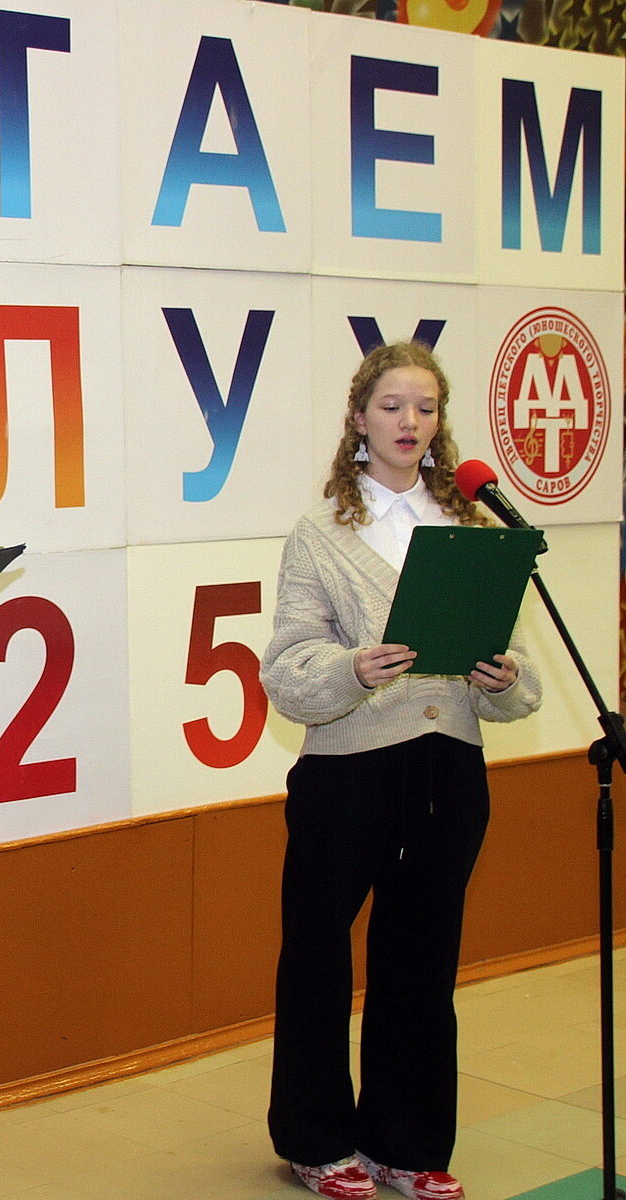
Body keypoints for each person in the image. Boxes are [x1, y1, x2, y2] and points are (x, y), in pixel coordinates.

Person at [262, 342, 542, 1200]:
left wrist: (502, 678)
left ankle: (407, 1143)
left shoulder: (473, 529)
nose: (408, 422)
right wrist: (352, 667)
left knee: (421, 959)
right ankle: (315, 1142)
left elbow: (521, 682)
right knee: (318, 957)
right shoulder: (319, 535)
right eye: (390, 406)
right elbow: (285, 669)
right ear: (358, 417)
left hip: (446, 771)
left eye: (424, 408)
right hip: (346, 772)